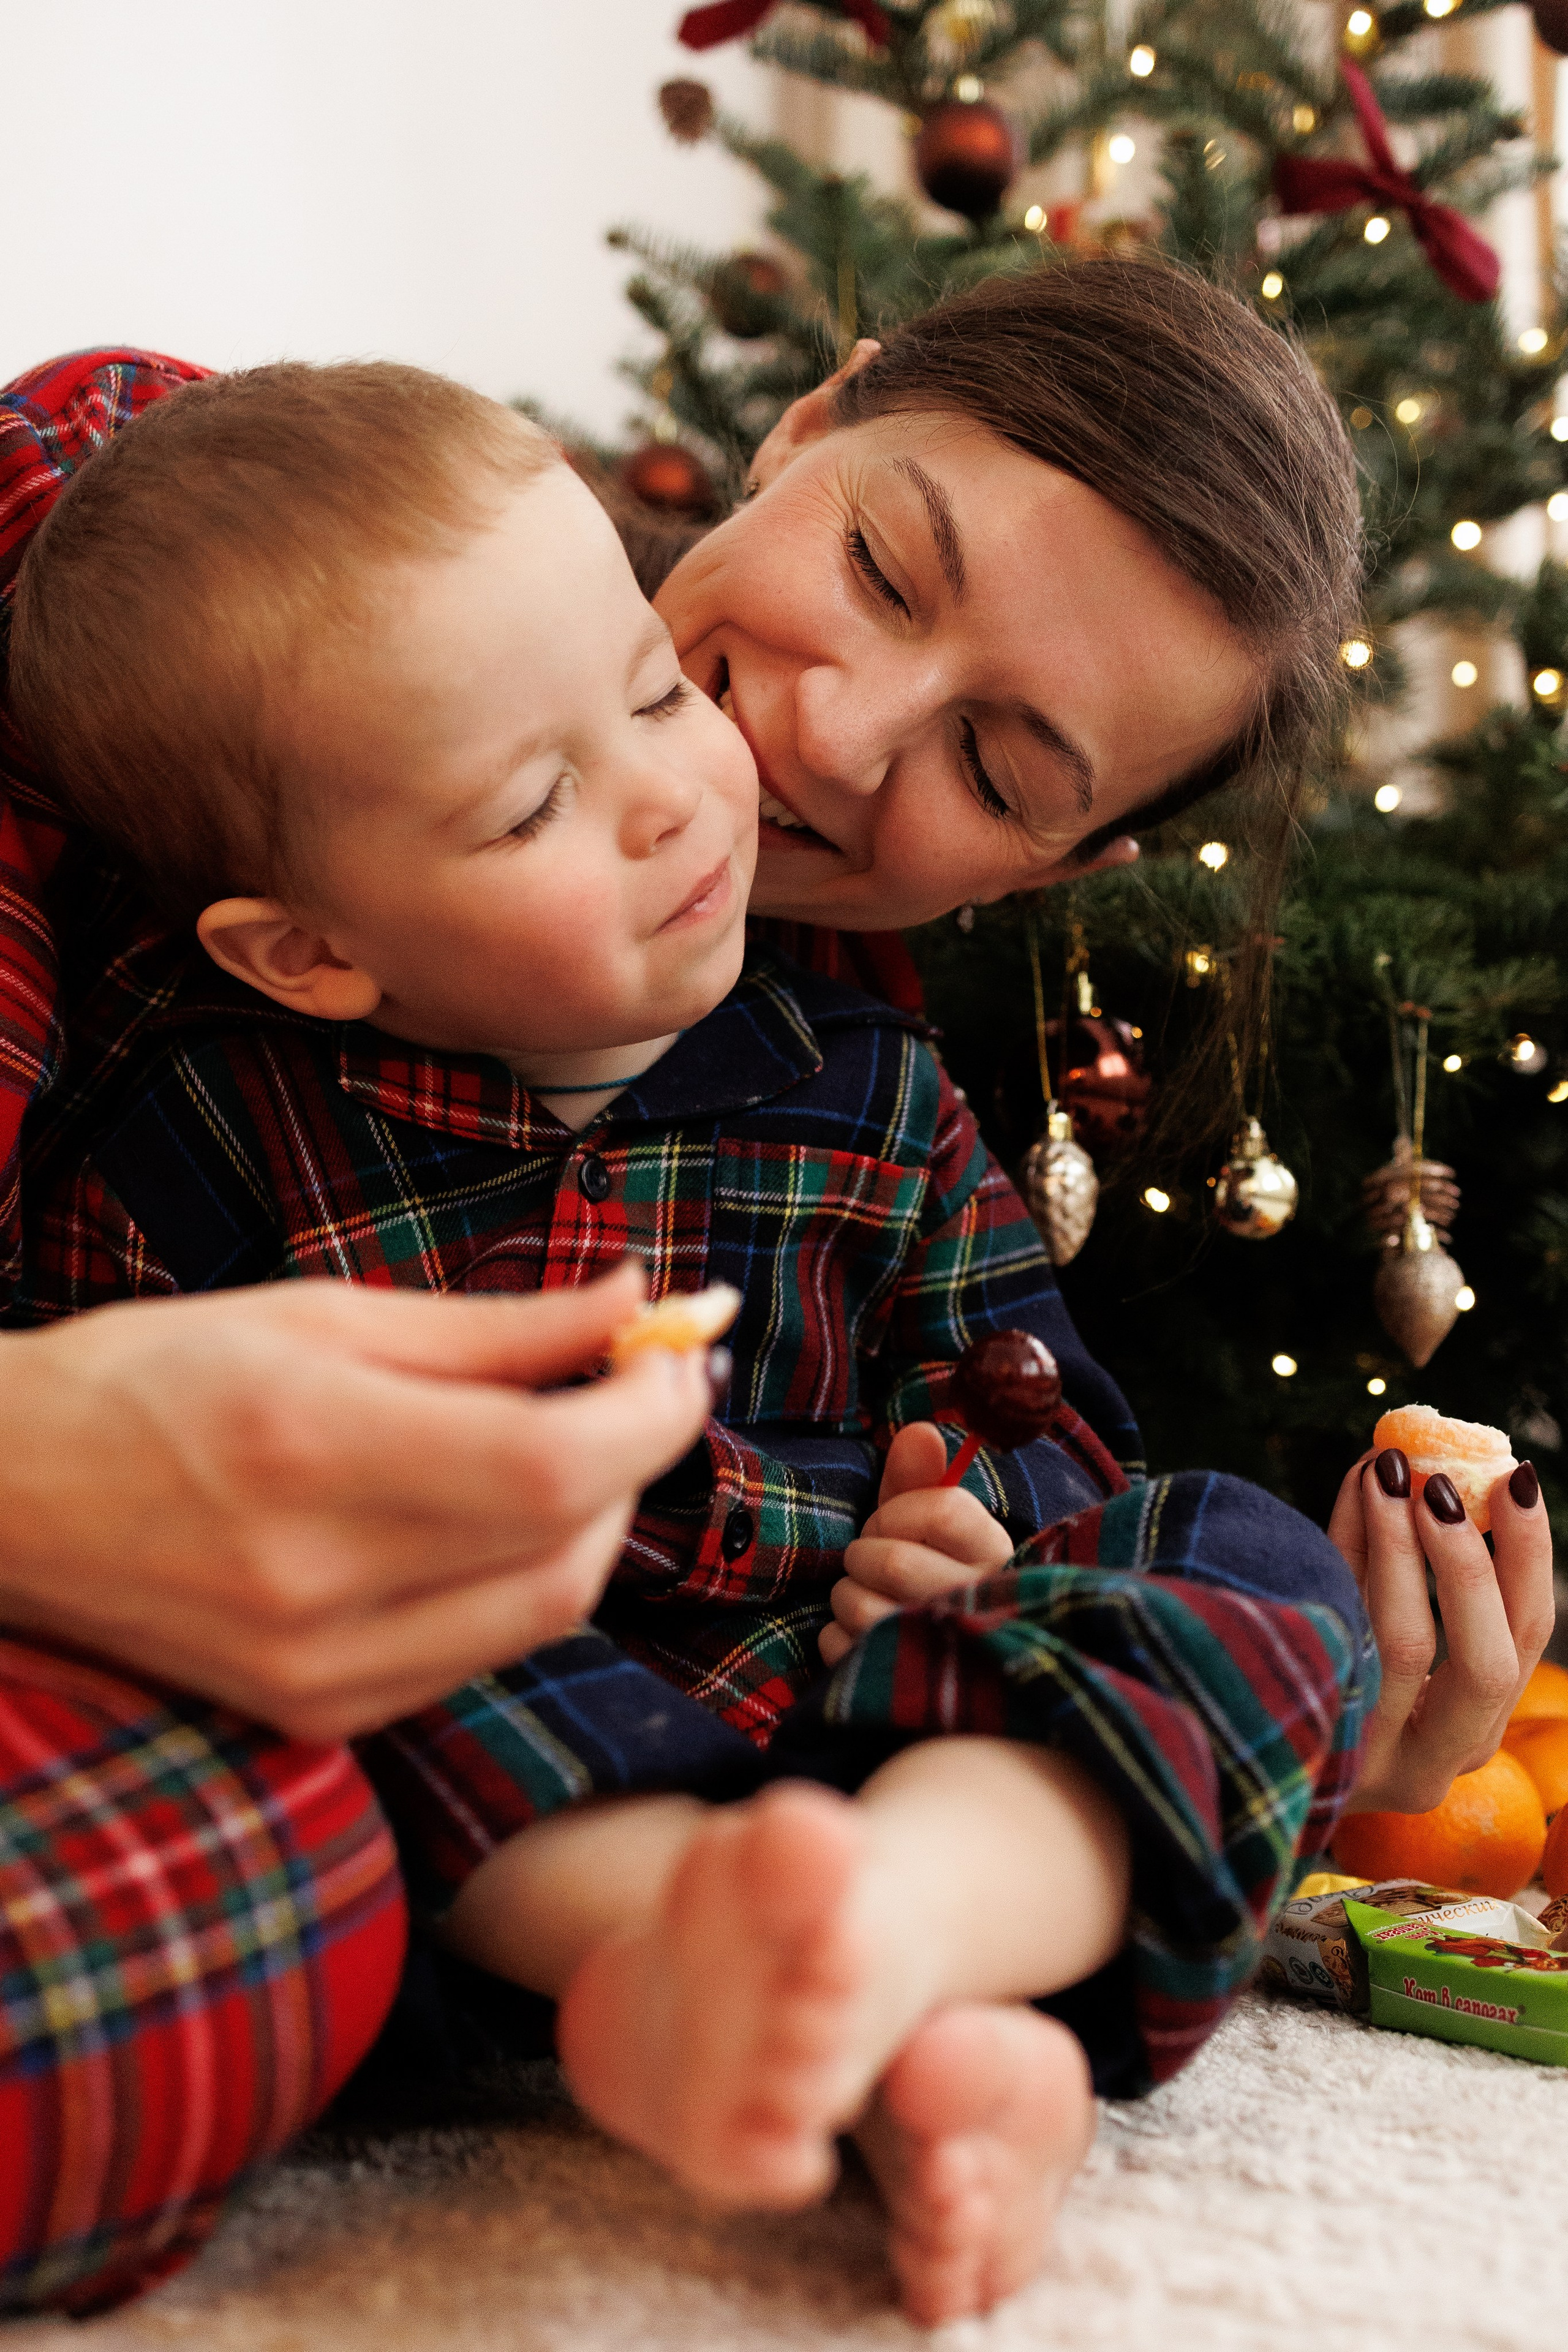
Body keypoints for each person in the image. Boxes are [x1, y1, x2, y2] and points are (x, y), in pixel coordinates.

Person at [0, 263, 1551, 2318]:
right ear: (809, 422)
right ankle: (830, 2006)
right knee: (360, 1671)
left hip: (875, 1733)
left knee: (1236, 1553)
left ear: (1054, 876)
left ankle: (902, 1939)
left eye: (1000, 775)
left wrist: (1002, 1549)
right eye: (888, 568)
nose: (799, 741)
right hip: (484, 1757)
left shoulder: (872, 1078)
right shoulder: (207, 937)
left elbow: (1057, 1438)